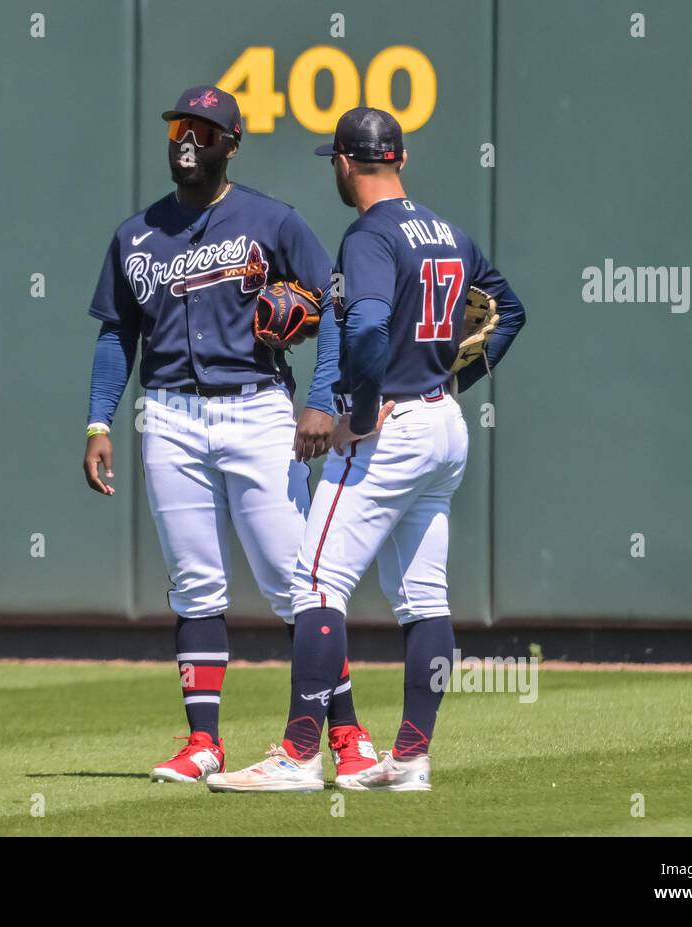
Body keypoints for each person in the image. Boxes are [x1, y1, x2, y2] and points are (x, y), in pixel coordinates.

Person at [208, 107, 527, 793]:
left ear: (345, 164)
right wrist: (452, 378)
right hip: (442, 424)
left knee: (317, 582)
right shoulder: (448, 232)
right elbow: (511, 313)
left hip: (392, 430)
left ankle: (297, 756)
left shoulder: (368, 236)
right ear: (401, 160)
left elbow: (373, 324)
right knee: (423, 595)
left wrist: (358, 409)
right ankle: (411, 757)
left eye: (336, 162)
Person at [82, 86, 378, 786]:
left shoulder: (272, 220)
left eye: (207, 130)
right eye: (182, 126)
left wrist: (319, 398)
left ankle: (347, 733)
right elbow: (117, 332)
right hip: (170, 416)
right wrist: (99, 419)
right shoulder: (137, 234)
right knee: (194, 584)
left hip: (257, 410)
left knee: (295, 582)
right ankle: (203, 742)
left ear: (232, 143)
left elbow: (334, 305)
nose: (190, 140)